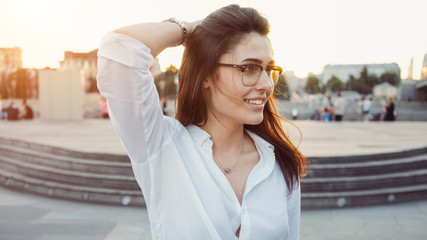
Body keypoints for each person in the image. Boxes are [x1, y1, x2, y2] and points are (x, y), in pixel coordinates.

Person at [97, 4, 308, 239]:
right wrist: (190, 30)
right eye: (249, 68)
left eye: (268, 70)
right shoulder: (162, 147)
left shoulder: (280, 164)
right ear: (206, 75)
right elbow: (120, 50)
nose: (267, 85)